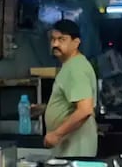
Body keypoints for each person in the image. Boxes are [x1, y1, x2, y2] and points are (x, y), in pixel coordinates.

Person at [40, 19, 98, 157]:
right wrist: (45, 109)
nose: (55, 44)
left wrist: (56, 134)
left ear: (76, 42)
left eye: (62, 39)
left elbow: (85, 110)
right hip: (70, 150)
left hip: (75, 150)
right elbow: (72, 104)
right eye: (53, 39)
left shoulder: (76, 68)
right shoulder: (70, 66)